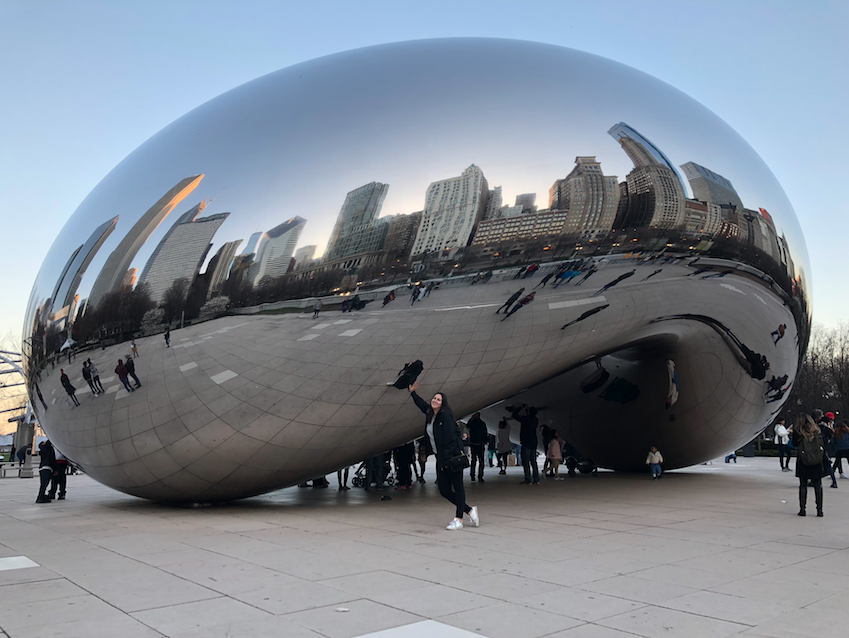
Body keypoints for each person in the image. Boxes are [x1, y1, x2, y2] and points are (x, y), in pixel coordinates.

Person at [408, 380, 479, 530]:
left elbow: (451, 440)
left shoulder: (445, 416)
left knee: (458, 487)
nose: (435, 400)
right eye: (434, 398)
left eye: (438, 399)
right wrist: (413, 392)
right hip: (442, 458)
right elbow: (421, 405)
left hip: (452, 458)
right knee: (444, 490)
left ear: (443, 403)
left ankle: (458, 519)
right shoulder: (430, 414)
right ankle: (470, 510)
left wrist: (446, 460)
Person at [793, 414, 827, 516]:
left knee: (803, 485)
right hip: (817, 460)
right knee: (818, 485)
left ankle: (802, 509)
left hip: (803, 460)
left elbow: (794, 444)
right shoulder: (817, 431)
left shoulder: (798, 431)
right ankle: (819, 510)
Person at [509, 404, 540, 484]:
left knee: (526, 462)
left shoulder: (525, 419)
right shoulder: (536, 420)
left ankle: (528, 479)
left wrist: (521, 407)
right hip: (534, 442)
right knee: (533, 462)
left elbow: (515, 415)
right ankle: (536, 479)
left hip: (526, 442)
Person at [467, 412, 487, 482]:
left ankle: (474, 475)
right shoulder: (482, 423)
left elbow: (468, 426)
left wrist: (471, 419)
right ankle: (479, 476)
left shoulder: (475, 423)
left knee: (474, 460)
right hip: (479, 444)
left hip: (475, 443)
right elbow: (485, 433)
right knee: (480, 461)